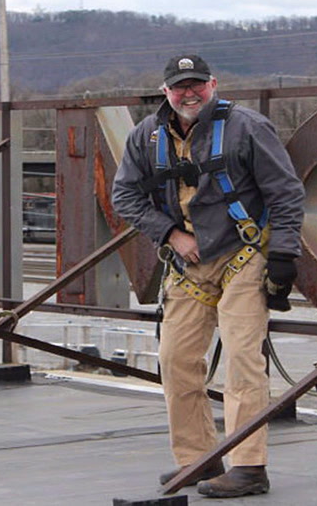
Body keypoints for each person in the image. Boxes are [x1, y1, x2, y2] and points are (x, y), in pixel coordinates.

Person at [112, 55, 304, 497]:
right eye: (180, 87)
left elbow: (285, 192)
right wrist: (170, 234)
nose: (189, 93)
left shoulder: (247, 128)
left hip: (242, 256)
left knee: (242, 360)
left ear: (213, 84)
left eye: (197, 84)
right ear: (166, 92)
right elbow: (125, 194)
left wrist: (283, 256)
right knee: (175, 360)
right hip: (188, 262)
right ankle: (198, 458)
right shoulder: (147, 136)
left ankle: (249, 466)